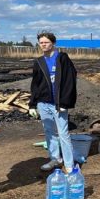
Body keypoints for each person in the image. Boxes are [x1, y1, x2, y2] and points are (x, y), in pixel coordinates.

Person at [28, 31, 77, 173]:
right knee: (49, 132)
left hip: (58, 104)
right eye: (41, 42)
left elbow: (70, 80)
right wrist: (32, 104)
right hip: (43, 103)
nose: (43, 45)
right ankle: (55, 158)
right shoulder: (39, 61)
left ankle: (69, 164)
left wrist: (65, 102)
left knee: (63, 134)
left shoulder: (62, 58)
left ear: (53, 43)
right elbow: (35, 84)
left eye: (46, 42)